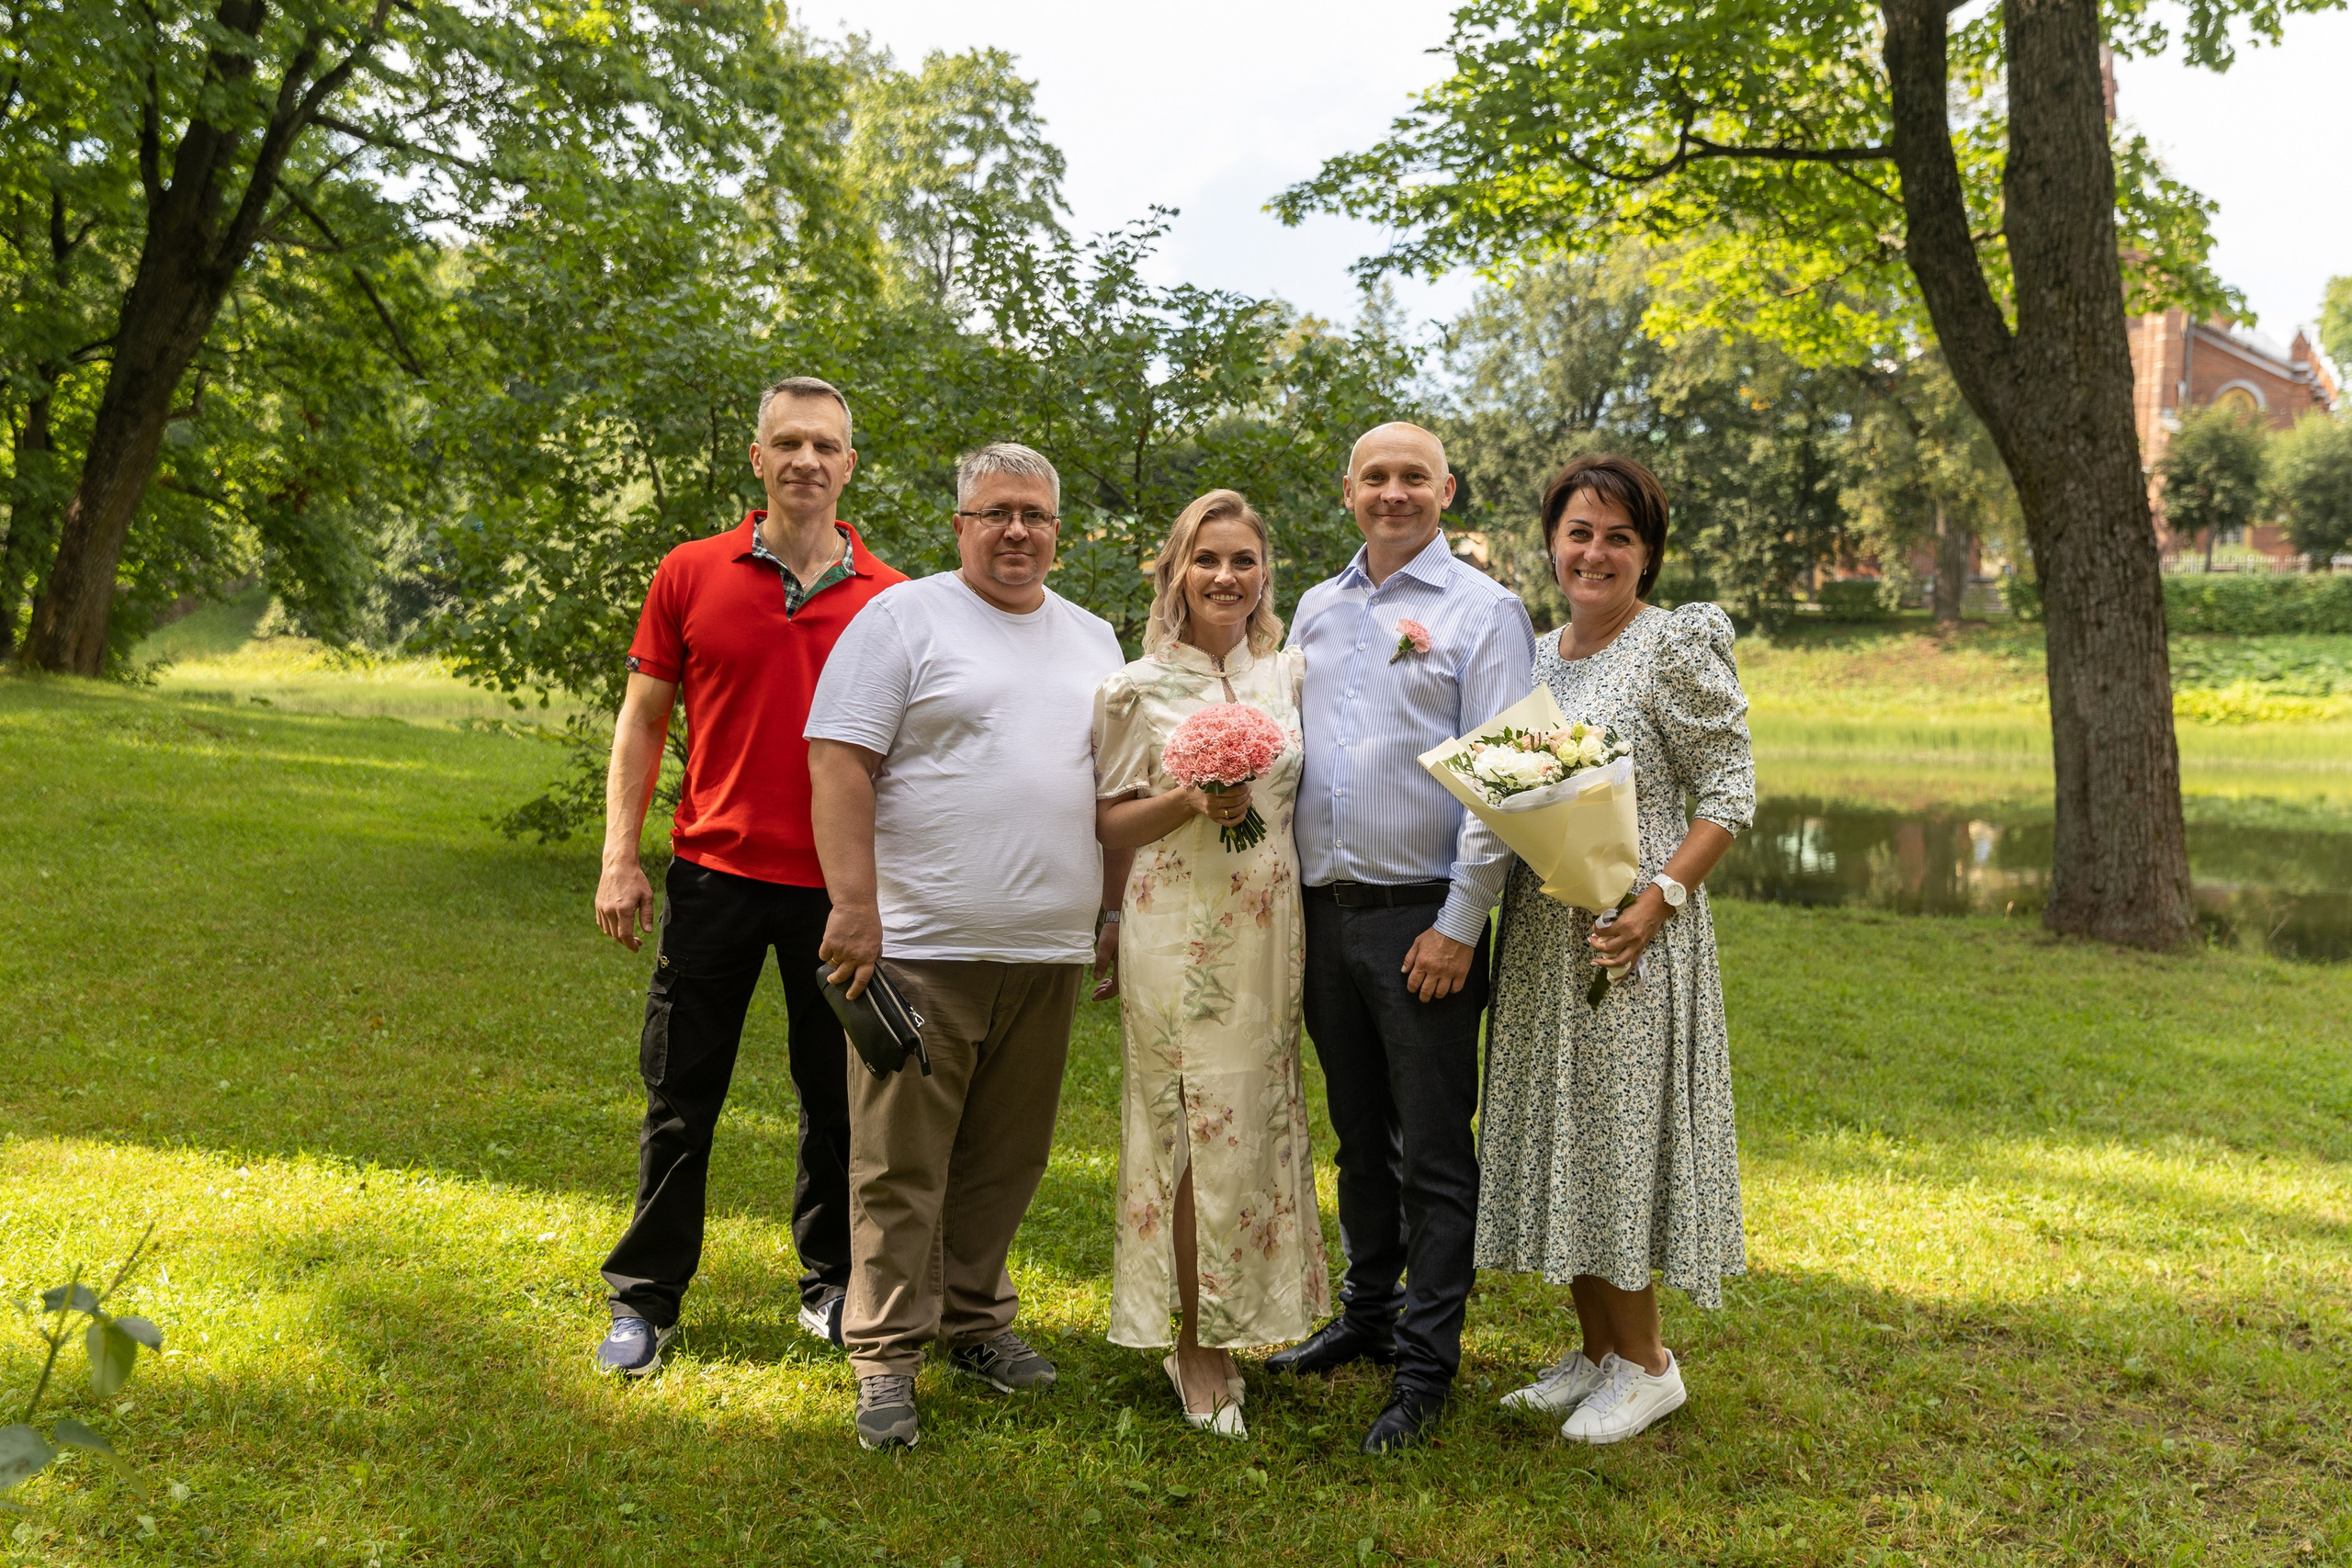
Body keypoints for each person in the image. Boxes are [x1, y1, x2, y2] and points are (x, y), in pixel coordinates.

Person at [805, 442, 1127, 1452]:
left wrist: (1110, 917)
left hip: (1044, 953)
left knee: (1006, 1159)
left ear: (1058, 535)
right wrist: (854, 908)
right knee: (900, 1163)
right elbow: (839, 759)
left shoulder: (1095, 640)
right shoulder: (905, 617)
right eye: (994, 513)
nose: (1015, 531)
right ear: (960, 526)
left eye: (1033, 514)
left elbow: (1111, 794)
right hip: (919, 950)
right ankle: (885, 1359)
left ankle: (976, 1321)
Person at [592, 377, 909, 1378]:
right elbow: (643, 719)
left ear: (849, 466)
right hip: (713, 879)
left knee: (837, 1101)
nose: (806, 461)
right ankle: (645, 1300)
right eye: (788, 443)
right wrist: (619, 859)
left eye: (826, 446)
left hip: (839, 898)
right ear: (758, 458)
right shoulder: (690, 571)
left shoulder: (894, 599)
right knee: (681, 1095)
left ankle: (831, 1288)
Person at [1270, 422, 1537, 1453]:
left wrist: (1459, 923)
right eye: (1375, 477)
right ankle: (1366, 1316)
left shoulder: (1486, 610)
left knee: (1431, 1150)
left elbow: (1509, 779)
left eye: (1412, 477)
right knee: (1358, 1140)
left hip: (1423, 916)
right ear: (1348, 490)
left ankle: (1426, 1366)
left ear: (1445, 489)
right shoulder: (1317, 607)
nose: (1393, 493)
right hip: (1321, 914)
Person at [1479, 454, 1753, 1445]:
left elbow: (1729, 793)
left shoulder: (1673, 644)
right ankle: (1595, 1350)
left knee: (1619, 1142)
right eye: (1579, 533)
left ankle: (1646, 1364)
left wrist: (1658, 901)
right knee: (1571, 1137)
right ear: (1551, 543)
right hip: (1546, 940)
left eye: (1618, 537)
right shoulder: (1534, 654)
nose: (1594, 553)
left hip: (1634, 942)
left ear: (1647, 553)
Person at [1091, 490, 1330, 1438]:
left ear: (1264, 573)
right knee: (1191, 1128)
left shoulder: (1289, 674)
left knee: (1255, 1124)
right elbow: (1108, 820)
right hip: (1178, 934)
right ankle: (1191, 1345)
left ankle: (1241, 1320)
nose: (1226, 577)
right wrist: (1190, 800)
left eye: (1243, 560)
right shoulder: (1135, 687)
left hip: (1271, 930)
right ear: (1174, 573)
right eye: (1206, 560)